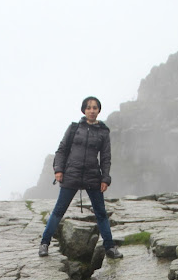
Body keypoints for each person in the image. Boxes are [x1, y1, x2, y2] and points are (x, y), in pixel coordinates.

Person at [39, 97, 122, 259]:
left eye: (95, 108)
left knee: (101, 214)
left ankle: (110, 247)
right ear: (83, 110)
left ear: (99, 110)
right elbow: (61, 150)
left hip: (93, 177)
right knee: (58, 211)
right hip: (72, 174)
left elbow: (106, 157)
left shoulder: (103, 132)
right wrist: (58, 170)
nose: (92, 110)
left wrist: (105, 178)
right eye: (89, 107)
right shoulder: (74, 128)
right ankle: (44, 244)